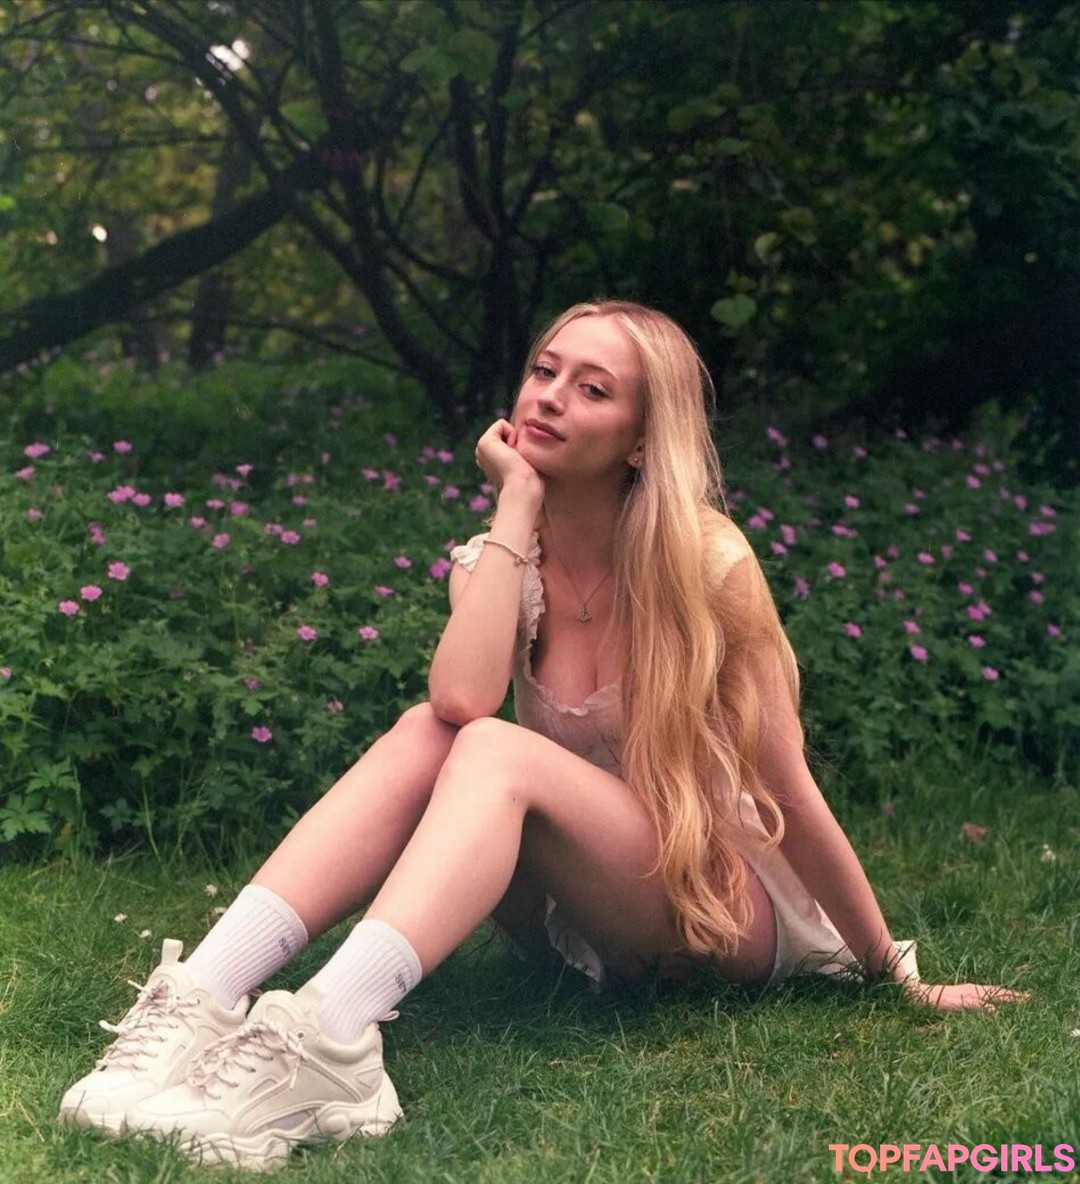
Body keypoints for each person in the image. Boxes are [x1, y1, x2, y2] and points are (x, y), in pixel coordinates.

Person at [59, 300, 1024, 1170]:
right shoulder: (499, 561)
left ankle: (329, 1036)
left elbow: (789, 787)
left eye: (593, 388)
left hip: (719, 899)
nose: (552, 396)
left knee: (490, 749)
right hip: (588, 898)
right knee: (435, 729)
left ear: (641, 441)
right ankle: (200, 998)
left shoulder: (707, 563)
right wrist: (516, 504)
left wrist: (891, 971)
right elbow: (460, 698)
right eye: (545, 371)